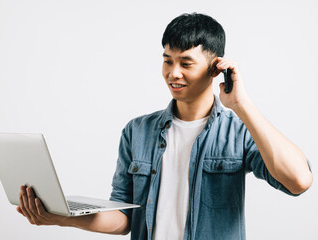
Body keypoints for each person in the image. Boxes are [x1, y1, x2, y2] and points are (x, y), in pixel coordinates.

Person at [16, 13, 313, 240]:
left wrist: (242, 106)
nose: (173, 73)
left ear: (215, 68)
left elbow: (298, 181)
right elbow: (123, 218)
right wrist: (61, 217)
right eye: (167, 61)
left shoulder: (239, 131)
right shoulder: (137, 131)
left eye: (186, 63)